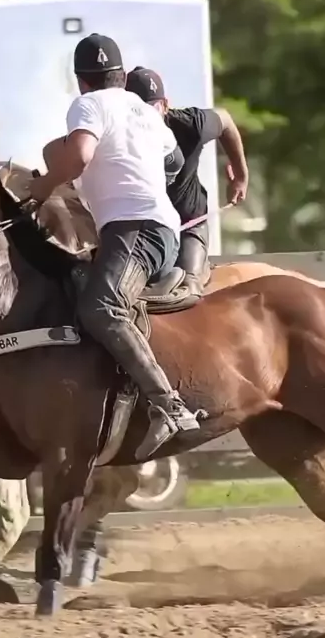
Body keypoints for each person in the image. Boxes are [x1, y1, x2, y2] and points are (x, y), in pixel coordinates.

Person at [29, 33, 204, 461]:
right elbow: (174, 163)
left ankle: (168, 406)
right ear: (122, 76)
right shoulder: (144, 111)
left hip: (135, 231)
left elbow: (79, 156)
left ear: (81, 81)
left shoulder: (87, 105)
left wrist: (43, 186)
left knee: (100, 307)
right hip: (157, 229)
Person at [125, 66, 249, 296]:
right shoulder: (116, 134)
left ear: (165, 105)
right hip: (141, 231)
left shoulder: (190, 124)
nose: (147, 119)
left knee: (186, 290)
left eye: (152, 109)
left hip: (188, 225)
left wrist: (241, 176)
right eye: (139, 111)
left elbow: (225, 120)